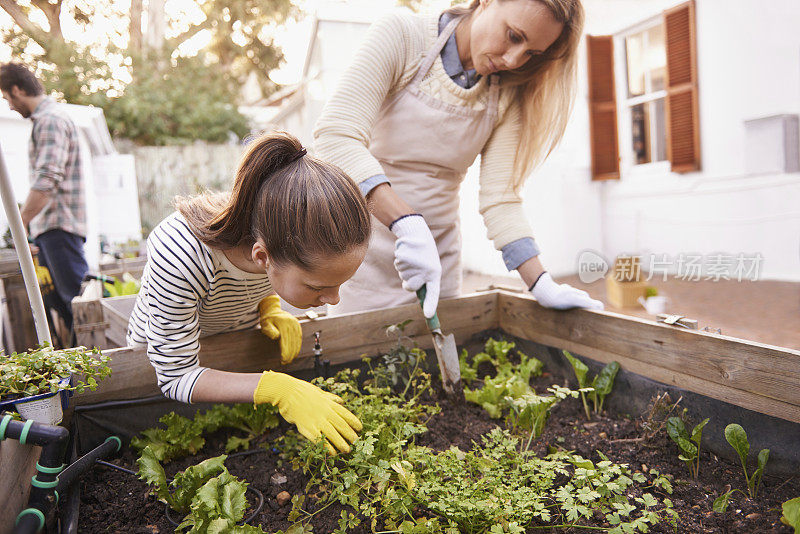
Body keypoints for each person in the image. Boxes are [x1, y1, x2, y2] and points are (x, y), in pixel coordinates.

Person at [314, 0, 603, 318]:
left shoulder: (508, 91)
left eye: (532, 54)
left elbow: (501, 199)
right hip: (360, 254)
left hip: (438, 258)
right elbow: (337, 136)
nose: (513, 60)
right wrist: (407, 223)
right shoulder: (404, 35)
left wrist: (542, 283)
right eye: (513, 36)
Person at [126, 131, 370, 454]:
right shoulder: (182, 254)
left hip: (230, 351)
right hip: (159, 375)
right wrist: (278, 388)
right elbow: (175, 376)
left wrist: (269, 307)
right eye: (318, 287)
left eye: (340, 283)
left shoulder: (270, 225)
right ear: (262, 257)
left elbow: (263, 277)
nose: (334, 300)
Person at [0, 62, 88, 335]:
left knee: (79, 311)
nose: (9, 106)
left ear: (17, 89)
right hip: (53, 231)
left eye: (6, 98)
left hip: (59, 230)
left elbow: (47, 179)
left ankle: (96, 375)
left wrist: (21, 222)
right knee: (65, 309)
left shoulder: (50, 120)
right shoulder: (49, 119)